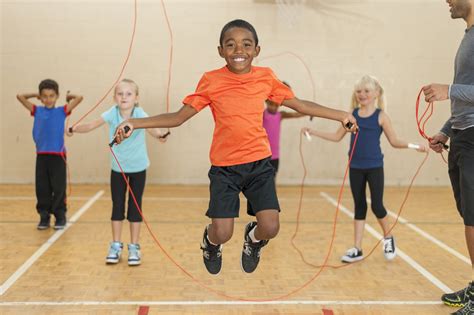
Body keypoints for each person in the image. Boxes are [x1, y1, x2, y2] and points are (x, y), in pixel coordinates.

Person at [113, 19, 357, 275]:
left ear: (257, 50)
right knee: (222, 232)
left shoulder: (266, 77)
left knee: (271, 227)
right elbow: (178, 117)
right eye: (231, 45)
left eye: (246, 44)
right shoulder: (211, 80)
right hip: (225, 168)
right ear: (220, 50)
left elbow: (300, 105)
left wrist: (340, 114)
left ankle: (253, 239)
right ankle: (209, 243)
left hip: (259, 164)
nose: (239, 50)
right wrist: (134, 123)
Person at [303, 75, 427, 263]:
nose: (362, 94)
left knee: (377, 206)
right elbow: (337, 137)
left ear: (376, 93)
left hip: (375, 167)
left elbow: (394, 141)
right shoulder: (351, 116)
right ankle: (357, 248)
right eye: (359, 91)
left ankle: (388, 237)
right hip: (355, 167)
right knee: (359, 206)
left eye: (366, 91)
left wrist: (414, 146)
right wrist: (314, 132)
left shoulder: (381, 117)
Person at [68, 79, 167, 266]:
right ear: (115, 97)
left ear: (136, 98)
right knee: (117, 206)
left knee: (135, 208)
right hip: (118, 169)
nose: (124, 97)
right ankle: (115, 245)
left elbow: (151, 127)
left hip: (138, 168)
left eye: (129, 94)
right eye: (120, 94)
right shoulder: (111, 114)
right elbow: (90, 125)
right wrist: (73, 128)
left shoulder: (139, 114)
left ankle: (134, 247)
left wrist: (161, 135)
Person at [422, 0, 474, 313]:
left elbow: (460, 90)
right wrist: (447, 129)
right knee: (469, 216)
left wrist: (449, 89)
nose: (447, 1)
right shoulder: (468, 35)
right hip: (463, 136)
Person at [17, 79, 83, 230]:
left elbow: (79, 98)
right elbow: (20, 96)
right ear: (41, 97)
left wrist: (69, 96)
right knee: (42, 188)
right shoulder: (36, 110)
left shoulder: (62, 111)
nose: (48, 99)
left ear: (57, 96)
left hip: (58, 156)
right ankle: (44, 216)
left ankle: (60, 216)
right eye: (44, 96)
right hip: (42, 156)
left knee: (58, 187)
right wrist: (36, 94)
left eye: (51, 95)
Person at [263, 81, 305, 174]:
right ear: (266, 101)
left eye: (276, 105)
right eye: (271, 104)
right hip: (262, 155)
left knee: (272, 178)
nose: (274, 107)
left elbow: (296, 114)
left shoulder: (280, 115)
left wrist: (309, 112)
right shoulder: (262, 115)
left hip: (275, 155)